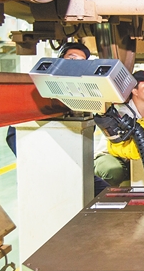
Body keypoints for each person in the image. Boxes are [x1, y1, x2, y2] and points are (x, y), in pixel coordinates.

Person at [6, 42, 109, 195]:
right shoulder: (38, 88)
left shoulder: (83, 95)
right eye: (71, 59)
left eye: (82, 62)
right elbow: (13, 133)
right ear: (59, 59)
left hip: (73, 166)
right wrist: (36, 162)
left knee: (107, 193)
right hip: (42, 168)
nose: (75, 65)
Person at [94, 70, 144, 186]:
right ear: (134, 91)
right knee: (114, 171)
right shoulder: (122, 114)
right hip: (111, 155)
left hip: (136, 156)